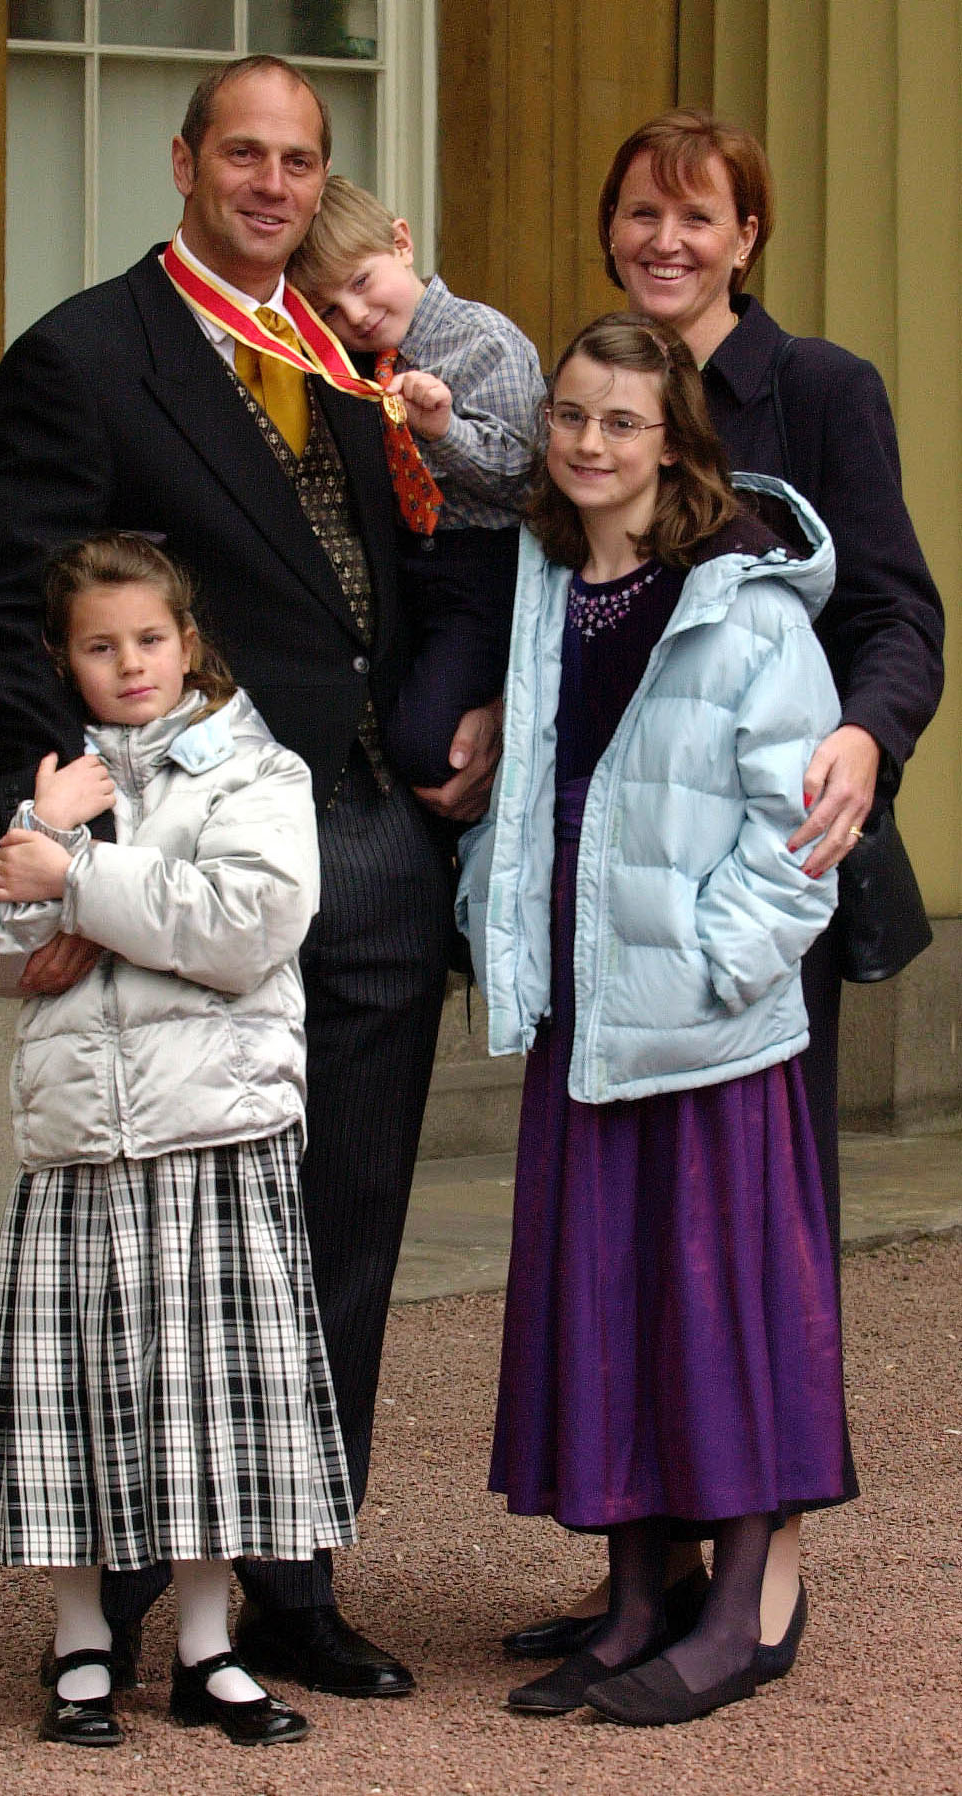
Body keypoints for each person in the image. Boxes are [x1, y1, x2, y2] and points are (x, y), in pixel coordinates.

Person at [0, 55, 501, 1700]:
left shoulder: (341, 351)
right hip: (183, 867)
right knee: (159, 1246)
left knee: (337, 1233)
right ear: (183, 163)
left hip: (372, 844)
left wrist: (455, 711)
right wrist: (67, 878)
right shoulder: (84, 356)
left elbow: (409, 563)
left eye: (299, 159)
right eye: (241, 154)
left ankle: (290, 1573)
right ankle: (120, 1585)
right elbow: (11, 632)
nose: (270, 182)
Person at [503, 107, 944, 1676]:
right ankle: (655, 1566)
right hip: (605, 904)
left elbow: (894, 611)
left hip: (765, 876)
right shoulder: (589, 401)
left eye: (699, 216)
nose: (666, 239)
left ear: (748, 235)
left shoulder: (816, 392)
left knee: (749, 1231)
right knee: (636, 1233)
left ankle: (763, 1580)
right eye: (640, 213)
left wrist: (860, 735)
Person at [457, 314, 850, 1726]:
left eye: (622, 421)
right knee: (609, 1302)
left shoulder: (743, 604)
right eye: (569, 414)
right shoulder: (542, 586)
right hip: (585, 1010)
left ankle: (736, 1616)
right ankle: (635, 1604)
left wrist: (713, 963)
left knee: (719, 1315)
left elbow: (798, 830)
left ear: (674, 442)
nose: (588, 442)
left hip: (706, 1026)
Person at [0, 532, 349, 1749]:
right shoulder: (41, 781)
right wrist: (52, 847)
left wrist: (78, 878)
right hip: (78, 1137)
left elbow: (245, 922)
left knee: (206, 1405)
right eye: (100, 645)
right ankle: (80, 1644)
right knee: (75, 1402)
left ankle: (209, 1649)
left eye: (150, 640)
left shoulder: (253, 770)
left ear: (189, 640)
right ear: (66, 658)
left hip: (212, 1127)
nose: (130, 664)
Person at [287, 175, 545, 785]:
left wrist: (445, 430)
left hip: (483, 571)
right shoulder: (348, 364)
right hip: (403, 570)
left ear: (402, 242)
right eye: (327, 309)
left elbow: (528, 478)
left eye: (361, 282)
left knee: (425, 744)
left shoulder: (483, 341)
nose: (356, 314)